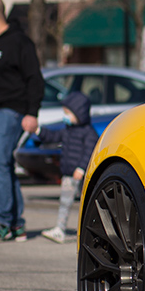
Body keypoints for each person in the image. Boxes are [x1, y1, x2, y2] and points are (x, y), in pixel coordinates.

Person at [0, 0, 43, 241]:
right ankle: (16, 224)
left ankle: (1, 221)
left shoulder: (19, 42)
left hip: (11, 110)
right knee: (2, 165)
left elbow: (35, 78)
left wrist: (32, 112)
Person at [34, 91, 98, 244]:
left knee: (89, 205)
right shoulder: (67, 130)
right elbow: (53, 137)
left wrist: (81, 168)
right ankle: (60, 229)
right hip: (68, 175)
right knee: (65, 202)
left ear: (79, 113)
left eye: (68, 113)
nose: (65, 116)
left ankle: (90, 231)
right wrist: (38, 130)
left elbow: (90, 152)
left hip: (79, 176)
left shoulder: (88, 133)